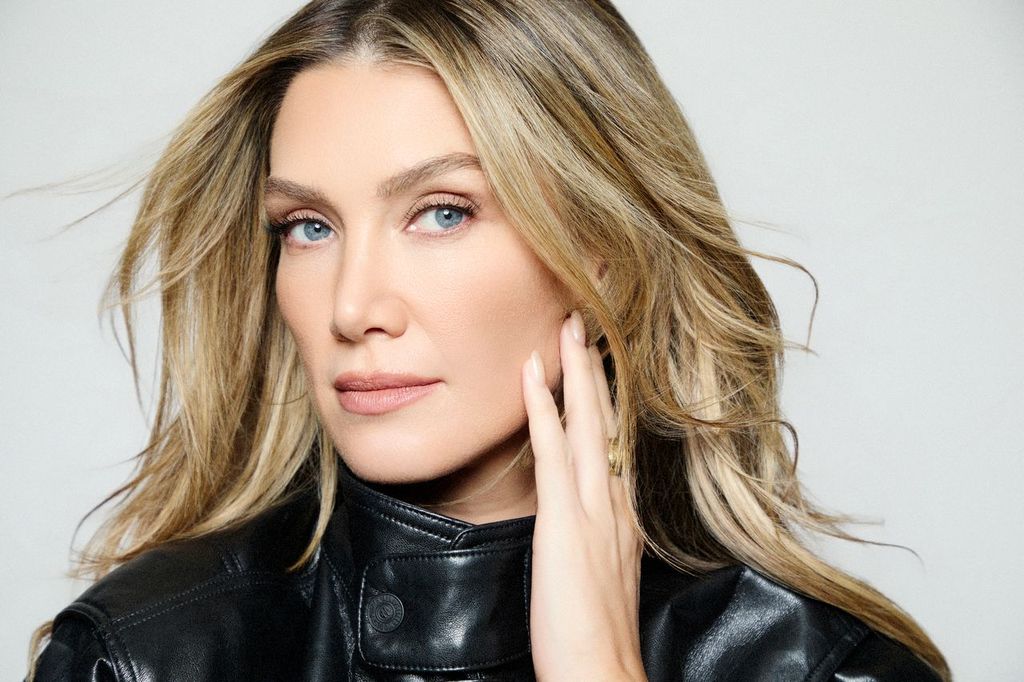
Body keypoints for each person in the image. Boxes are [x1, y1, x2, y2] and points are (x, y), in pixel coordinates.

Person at [25, 0, 950, 680]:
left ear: (603, 256)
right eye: (309, 226)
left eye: (442, 212)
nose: (353, 306)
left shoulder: (821, 666)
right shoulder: (142, 656)